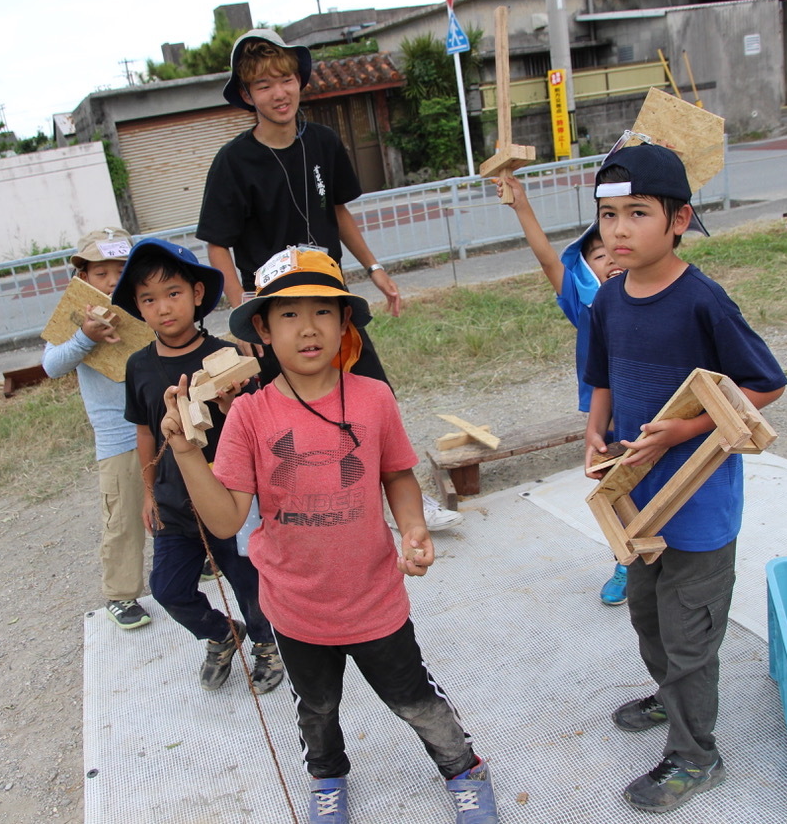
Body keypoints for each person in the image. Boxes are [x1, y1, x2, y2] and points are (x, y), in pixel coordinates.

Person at [157, 248, 499, 824]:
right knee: (316, 710)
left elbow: (396, 473)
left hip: (373, 598)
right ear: (262, 330)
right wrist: (188, 452)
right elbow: (223, 520)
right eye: (288, 315)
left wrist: (412, 524)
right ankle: (327, 780)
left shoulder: (373, 398)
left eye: (323, 311)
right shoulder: (248, 416)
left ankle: (464, 769)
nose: (308, 327)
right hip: (294, 608)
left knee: (414, 699)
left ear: (344, 324)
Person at [580, 142, 786, 814]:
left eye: (637, 213)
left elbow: (764, 384)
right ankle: (669, 692)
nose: (618, 229)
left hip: (698, 507)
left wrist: (687, 430)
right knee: (647, 616)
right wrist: (594, 429)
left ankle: (696, 754)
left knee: (690, 635)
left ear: (678, 219)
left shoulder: (703, 301)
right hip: (636, 501)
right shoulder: (609, 298)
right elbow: (601, 374)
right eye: (608, 214)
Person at [195, 28, 462, 533]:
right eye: (264, 85)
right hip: (278, 311)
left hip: (329, 300)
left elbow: (337, 209)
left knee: (372, 393)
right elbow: (217, 245)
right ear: (247, 96)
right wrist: (243, 319)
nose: (279, 93)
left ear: (299, 82)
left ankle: (406, 501)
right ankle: (302, 512)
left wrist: (375, 268)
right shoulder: (233, 161)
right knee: (289, 413)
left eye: (286, 79)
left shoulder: (322, 140)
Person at [111, 237, 282, 694]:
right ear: (139, 309)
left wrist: (230, 406)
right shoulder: (138, 367)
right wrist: (149, 494)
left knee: (248, 580)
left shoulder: (231, 357)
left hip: (230, 497)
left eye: (173, 293)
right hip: (173, 503)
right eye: (149, 299)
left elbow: (257, 428)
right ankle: (221, 634)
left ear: (198, 294)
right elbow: (145, 433)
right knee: (167, 587)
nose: (163, 308)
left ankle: (267, 642)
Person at [495, 174, 632, 606]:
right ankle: (626, 561)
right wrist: (522, 207)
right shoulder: (585, 304)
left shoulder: (654, 294)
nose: (610, 257)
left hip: (657, 407)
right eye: (598, 254)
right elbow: (548, 261)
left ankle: (667, 558)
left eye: (616, 251)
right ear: (585, 270)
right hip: (607, 415)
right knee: (616, 488)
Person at [41, 228, 152, 631]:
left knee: (183, 497)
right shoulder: (74, 314)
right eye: (100, 272)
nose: (111, 281)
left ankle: (202, 560)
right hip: (118, 434)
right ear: (83, 277)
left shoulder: (148, 304)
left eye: (120, 270)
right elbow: (52, 366)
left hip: (163, 422)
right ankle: (122, 595)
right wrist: (84, 338)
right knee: (122, 514)